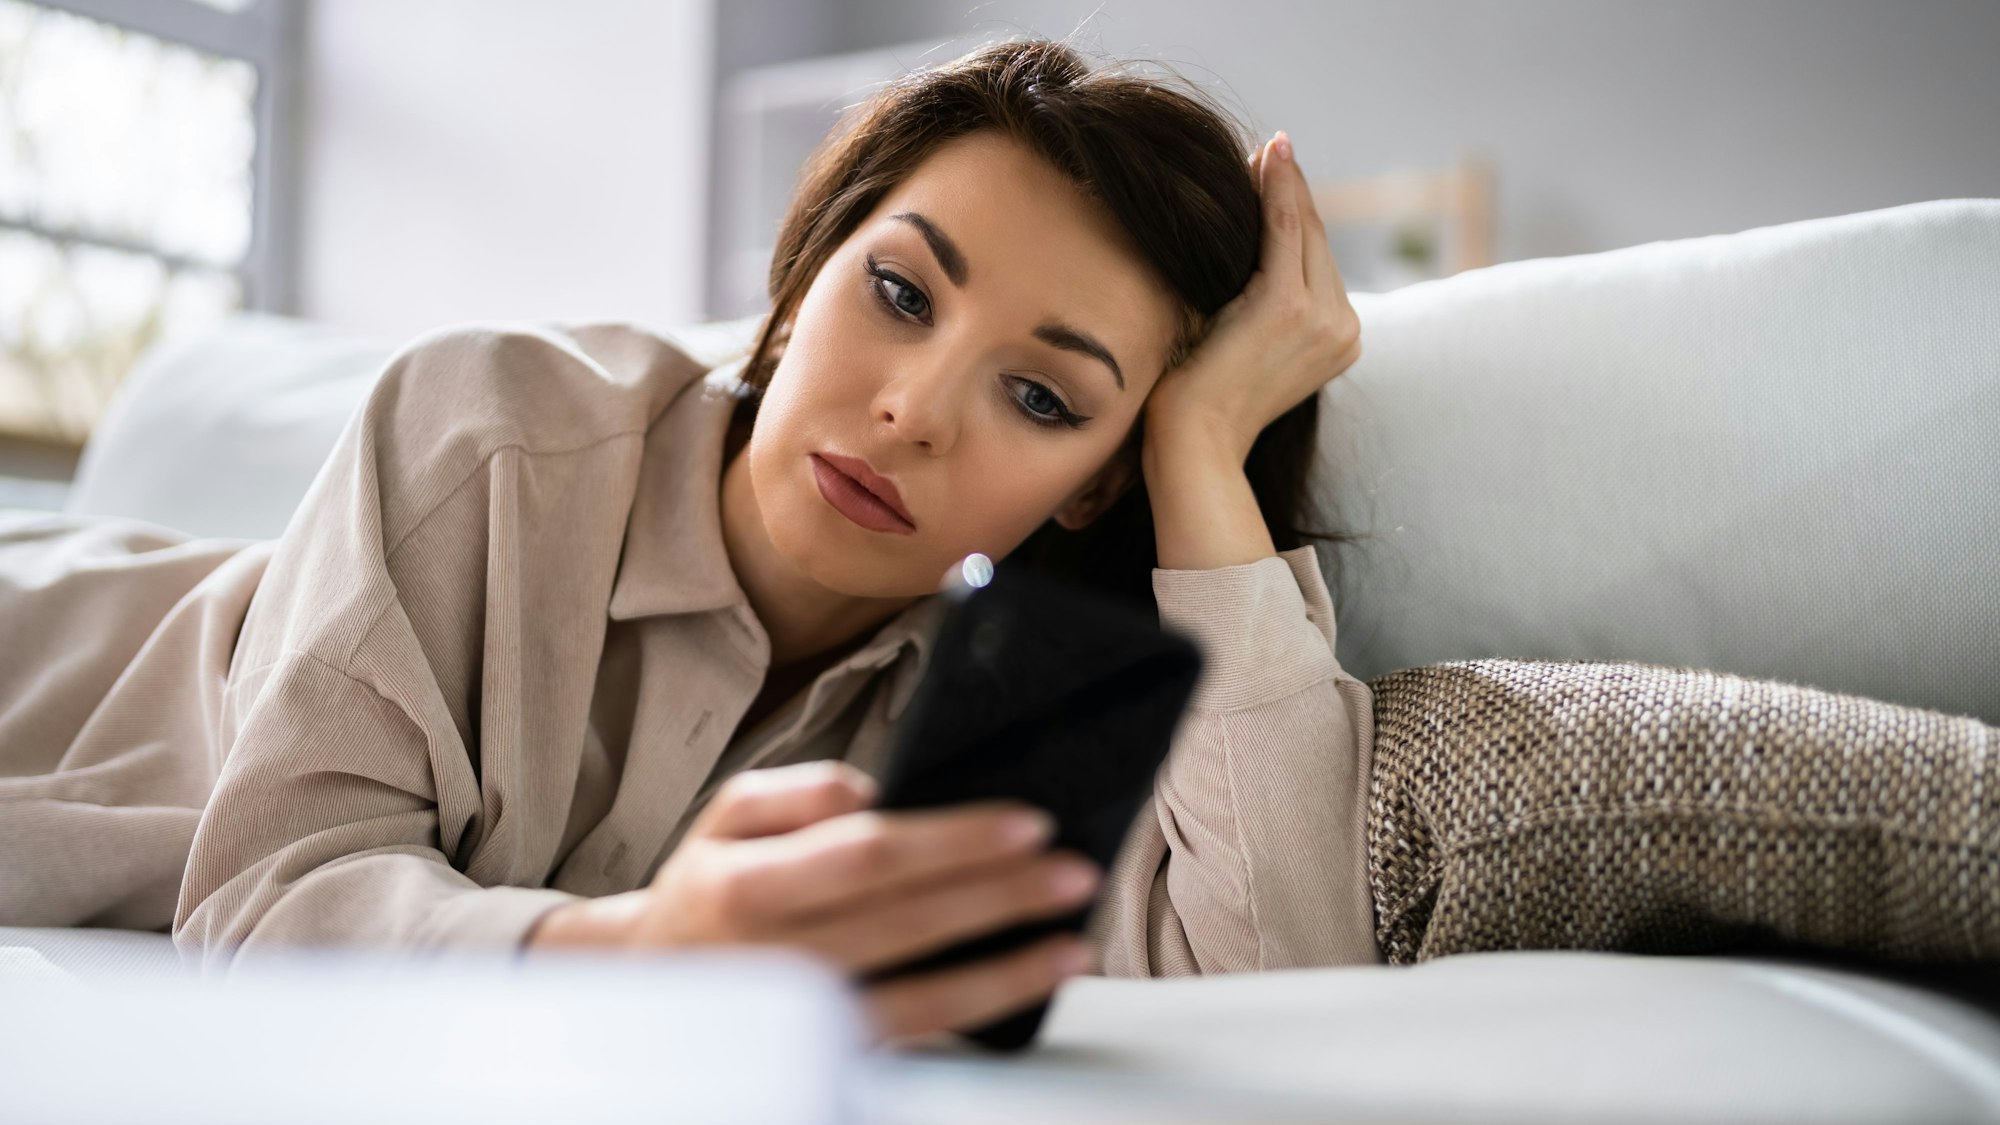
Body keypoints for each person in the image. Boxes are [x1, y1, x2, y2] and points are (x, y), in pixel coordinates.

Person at [0, 38, 1368, 1046]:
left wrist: (1199, 450)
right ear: (803, 275)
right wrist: (642, 948)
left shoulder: (985, 718)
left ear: (1093, 482)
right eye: (899, 290)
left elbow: (1288, 977)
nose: (911, 411)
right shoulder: (493, 425)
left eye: (1041, 396)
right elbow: (264, 902)